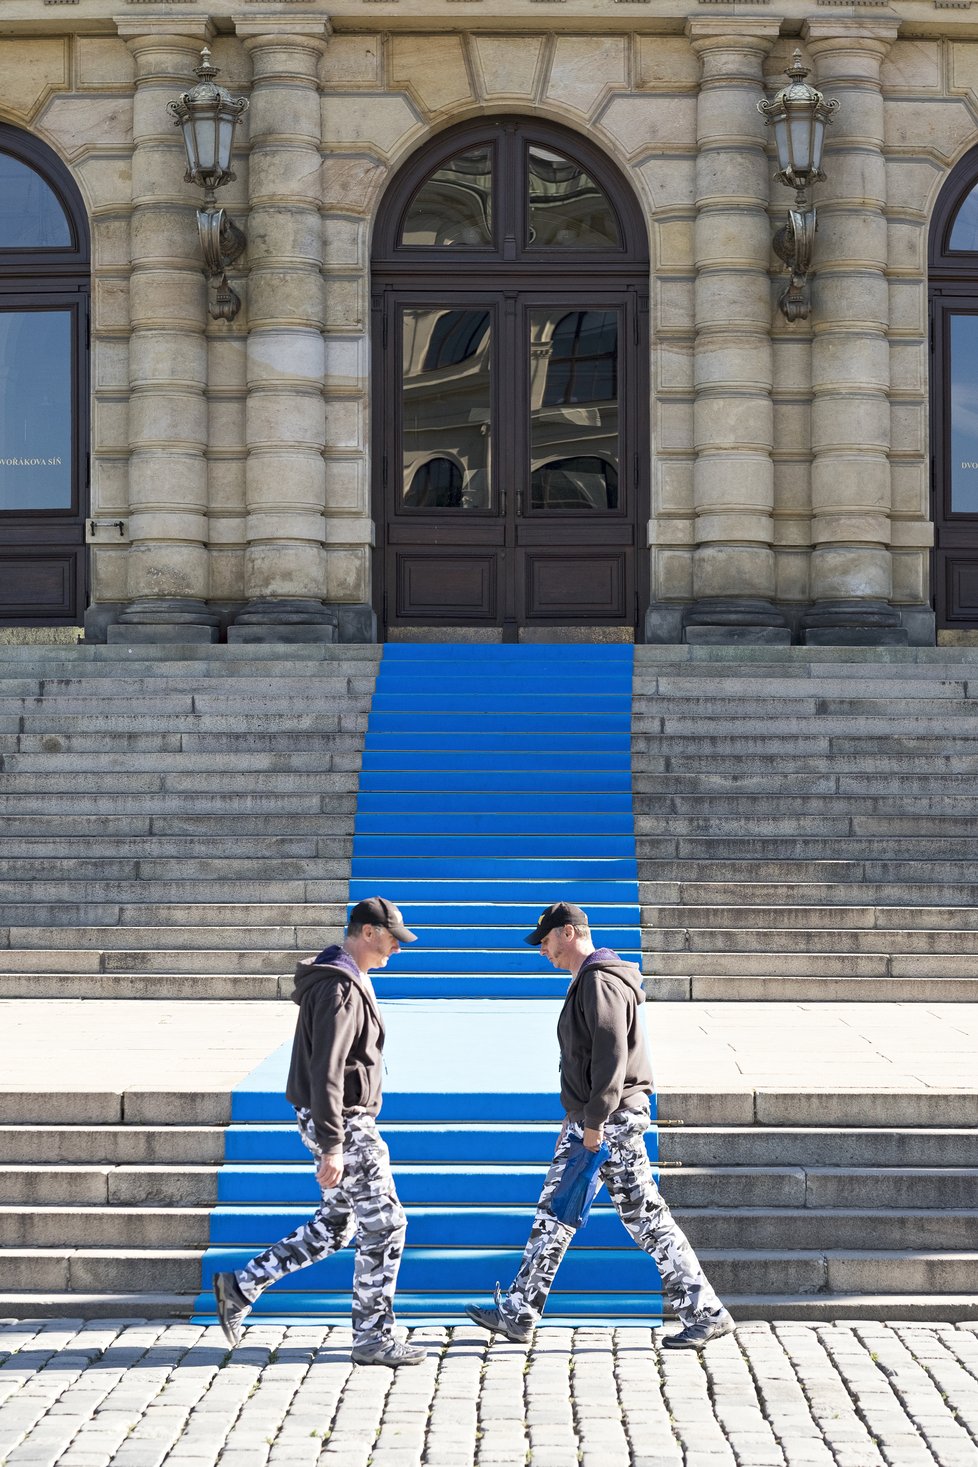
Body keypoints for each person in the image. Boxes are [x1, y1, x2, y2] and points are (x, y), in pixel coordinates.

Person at [465, 901, 734, 1351]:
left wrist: (592, 1124)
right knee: (570, 1213)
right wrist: (576, 1119)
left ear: (568, 933)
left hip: (608, 1118)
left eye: (547, 940)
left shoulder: (599, 982)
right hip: (598, 1117)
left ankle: (705, 1311)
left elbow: (610, 1058)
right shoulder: (593, 979)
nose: (543, 951)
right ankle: (520, 1310)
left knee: (630, 1216)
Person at [213, 896, 426, 1368]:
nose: (396, 948)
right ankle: (373, 1337)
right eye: (392, 938)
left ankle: (241, 1285)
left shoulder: (344, 980)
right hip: (344, 1122)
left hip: (333, 1119)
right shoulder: (340, 989)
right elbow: (326, 1070)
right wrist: (333, 1144)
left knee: (336, 1225)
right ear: (368, 932)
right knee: (386, 1226)